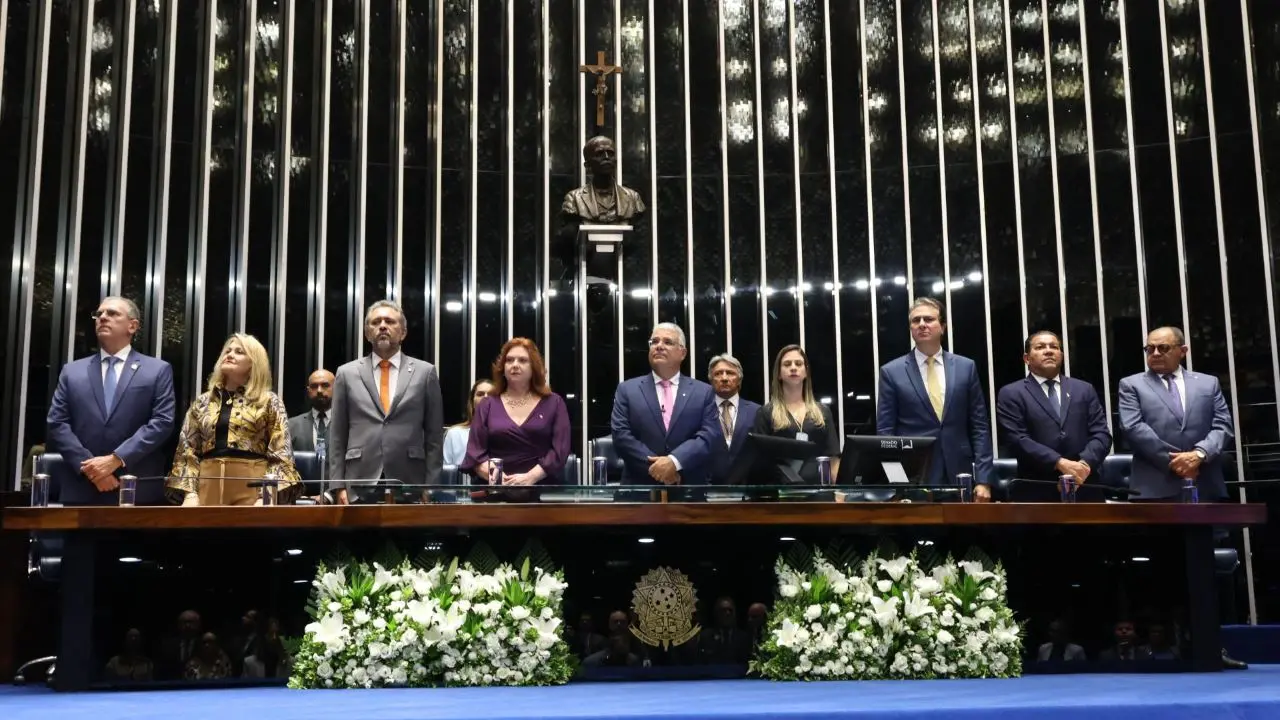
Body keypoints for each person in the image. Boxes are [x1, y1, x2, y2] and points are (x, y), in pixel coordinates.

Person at [46, 296, 176, 505]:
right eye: (99, 314)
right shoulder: (72, 371)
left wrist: (115, 460)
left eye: (112, 313)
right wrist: (93, 470)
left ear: (132, 326)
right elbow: (57, 422)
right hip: (81, 488)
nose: (103, 317)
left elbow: (162, 422)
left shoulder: (157, 370)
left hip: (135, 486)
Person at [876, 297, 994, 499]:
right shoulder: (891, 372)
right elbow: (886, 432)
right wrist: (897, 481)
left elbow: (979, 426)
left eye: (928, 319)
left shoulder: (966, 368)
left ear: (943, 327)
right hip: (915, 477)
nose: (921, 324)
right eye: (916, 320)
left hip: (960, 472)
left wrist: (983, 480)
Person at [328, 300, 444, 503]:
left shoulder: (425, 372)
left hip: (409, 480)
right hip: (359, 480)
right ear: (367, 333)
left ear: (403, 332)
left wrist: (431, 486)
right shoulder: (346, 373)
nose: (382, 326)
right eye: (376, 322)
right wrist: (338, 486)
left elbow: (434, 436)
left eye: (390, 321)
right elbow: (337, 434)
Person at [166, 334, 301, 506]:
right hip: (208, 487)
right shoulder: (202, 402)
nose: (229, 355)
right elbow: (187, 451)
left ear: (254, 362)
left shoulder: (268, 401)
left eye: (239, 352)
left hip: (253, 489)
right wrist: (190, 493)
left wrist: (266, 496)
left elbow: (281, 453)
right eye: (227, 351)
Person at [1118, 327, 1233, 501]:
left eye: (1163, 348)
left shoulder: (1208, 383)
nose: (1155, 353)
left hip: (1205, 482)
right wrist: (1180, 463)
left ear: (1183, 351)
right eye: (1150, 349)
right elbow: (1133, 427)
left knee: (1211, 529)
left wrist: (1199, 454)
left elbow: (1223, 425)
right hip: (1154, 485)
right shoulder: (1131, 385)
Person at [996, 331, 1112, 491]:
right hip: (1036, 487)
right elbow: (1017, 439)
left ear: (1062, 355)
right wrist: (1059, 463)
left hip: (1085, 483)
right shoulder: (1012, 393)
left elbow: (1101, 434)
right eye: (1040, 347)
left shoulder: (1084, 389)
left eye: (1054, 347)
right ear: (1027, 358)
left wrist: (1082, 466)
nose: (1049, 350)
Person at [609, 323, 722, 485]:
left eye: (667, 342)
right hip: (638, 489)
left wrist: (675, 462)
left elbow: (709, 436)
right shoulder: (627, 390)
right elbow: (621, 436)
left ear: (682, 353)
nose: (659, 346)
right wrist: (659, 469)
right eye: (654, 342)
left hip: (687, 488)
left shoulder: (703, 392)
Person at [462, 338, 570, 488]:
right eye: (509, 360)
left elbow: (560, 450)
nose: (515, 365)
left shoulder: (554, 403)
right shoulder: (487, 404)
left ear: (534, 367)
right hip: (494, 490)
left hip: (542, 489)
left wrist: (530, 478)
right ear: (503, 368)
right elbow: (475, 453)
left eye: (522, 360)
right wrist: (499, 478)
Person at [752, 345, 841, 482]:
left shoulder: (823, 411)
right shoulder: (766, 413)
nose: (793, 367)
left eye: (798, 364)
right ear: (779, 374)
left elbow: (833, 459)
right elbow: (760, 462)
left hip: (819, 493)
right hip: (780, 494)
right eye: (787, 364)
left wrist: (837, 494)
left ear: (806, 372)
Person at [706, 353, 761, 482]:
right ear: (711, 380)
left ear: (739, 380)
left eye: (730, 373)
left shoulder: (757, 411)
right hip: (708, 488)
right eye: (718, 373)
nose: (724, 378)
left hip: (747, 488)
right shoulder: (701, 411)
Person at [443, 379, 495, 466]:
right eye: (480, 394)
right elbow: (447, 473)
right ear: (472, 402)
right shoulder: (455, 434)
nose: (486, 397)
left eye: (491, 395)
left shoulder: (504, 435)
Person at [287, 369, 335, 452]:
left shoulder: (347, 425)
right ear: (308, 391)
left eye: (325, 385)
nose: (319, 390)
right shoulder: (291, 425)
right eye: (314, 386)